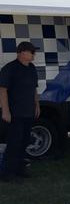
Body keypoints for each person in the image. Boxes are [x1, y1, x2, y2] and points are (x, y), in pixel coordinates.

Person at [0, 42, 40, 182]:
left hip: (28, 112)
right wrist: (5, 111)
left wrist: (37, 105)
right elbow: (2, 89)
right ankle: (7, 173)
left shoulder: (32, 68)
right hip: (15, 114)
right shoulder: (10, 68)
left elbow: (34, 88)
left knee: (24, 142)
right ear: (22, 53)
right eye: (32, 52)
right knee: (14, 143)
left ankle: (19, 170)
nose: (34, 54)